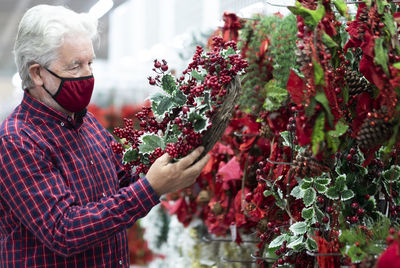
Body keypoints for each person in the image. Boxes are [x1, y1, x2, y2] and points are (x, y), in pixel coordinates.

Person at [0, 5, 210, 267]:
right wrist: (152, 188)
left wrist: (172, 150)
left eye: (89, 63)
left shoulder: (85, 122)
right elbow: (64, 230)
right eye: (75, 66)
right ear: (37, 73)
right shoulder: (18, 140)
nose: (87, 75)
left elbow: (122, 179)